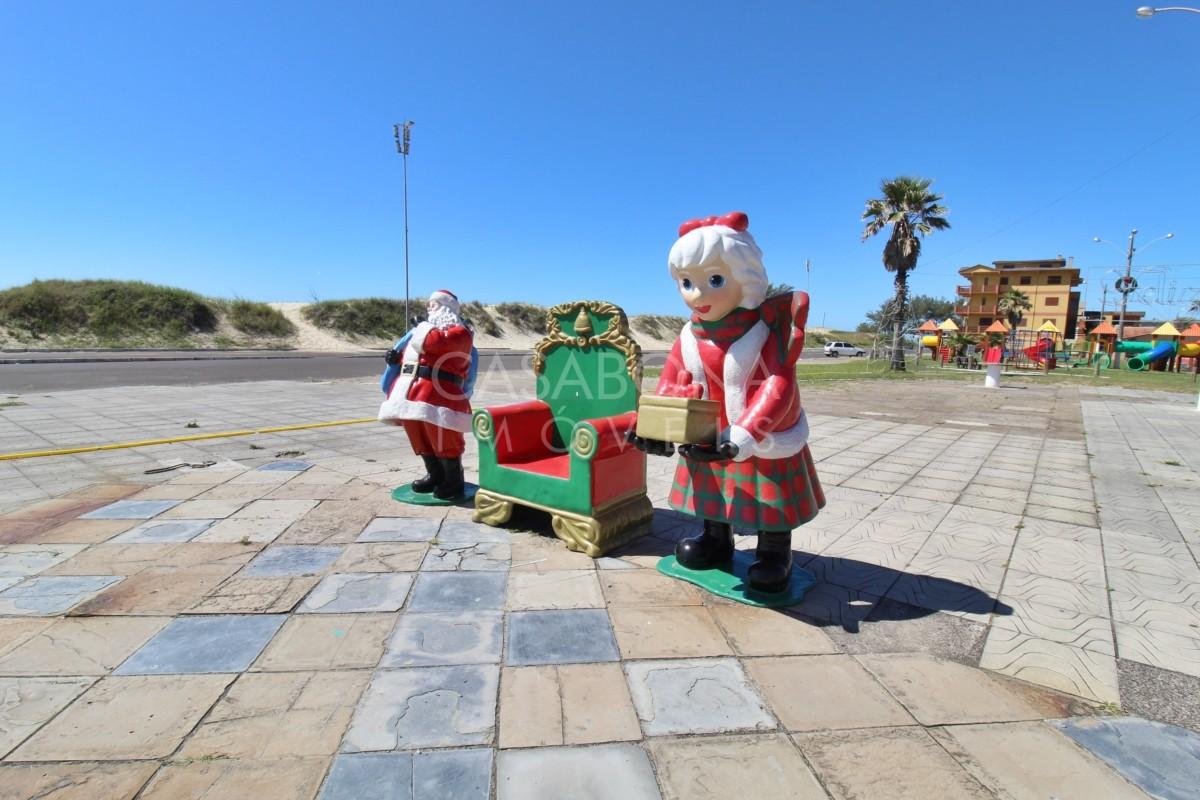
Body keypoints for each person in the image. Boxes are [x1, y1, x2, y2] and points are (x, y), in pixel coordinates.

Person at [633, 212, 824, 592]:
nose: (697, 295)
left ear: (745, 279)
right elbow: (671, 380)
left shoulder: (765, 332)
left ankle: (774, 552)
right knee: (713, 492)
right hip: (706, 433)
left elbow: (777, 385)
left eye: (714, 280)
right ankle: (715, 539)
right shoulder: (689, 337)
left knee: (769, 499)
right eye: (686, 283)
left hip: (758, 436)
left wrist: (746, 432)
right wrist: (657, 426)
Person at [378, 289, 474, 499]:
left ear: (448, 308)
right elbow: (413, 354)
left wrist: (422, 326)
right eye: (429, 305)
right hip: (410, 392)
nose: (430, 309)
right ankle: (434, 474)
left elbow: (433, 343)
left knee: (442, 436)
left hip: (439, 393)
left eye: (435, 305)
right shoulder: (422, 332)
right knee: (418, 435)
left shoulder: (460, 333)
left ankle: (453, 479)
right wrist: (395, 359)